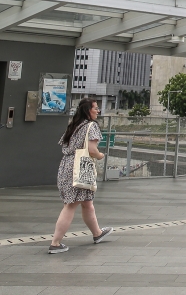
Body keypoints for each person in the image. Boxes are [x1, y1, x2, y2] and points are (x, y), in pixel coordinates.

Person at [48, 98, 112, 254]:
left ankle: (97, 233)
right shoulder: (92, 126)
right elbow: (91, 149)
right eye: (96, 108)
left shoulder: (75, 125)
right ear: (88, 110)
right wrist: (100, 155)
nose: (98, 111)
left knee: (87, 202)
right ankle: (55, 243)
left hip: (67, 165)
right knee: (71, 205)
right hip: (79, 168)